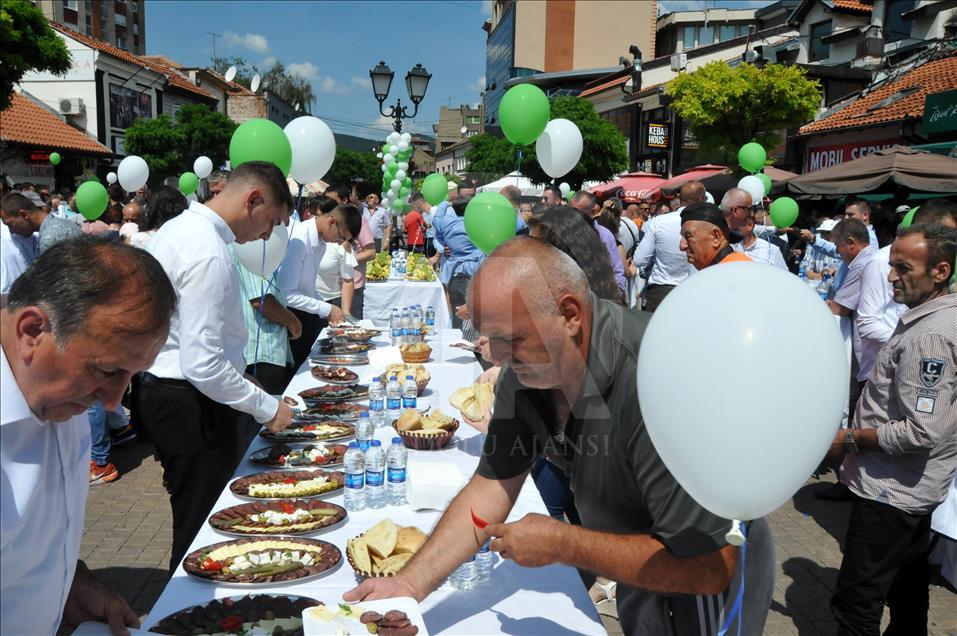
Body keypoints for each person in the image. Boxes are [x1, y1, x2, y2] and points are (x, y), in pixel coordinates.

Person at [345, 236, 773, 634]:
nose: (498, 356)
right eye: (490, 338)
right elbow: (491, 486)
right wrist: (409, 584)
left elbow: (708, 567)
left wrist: (565, 544)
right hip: (648, 562)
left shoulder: (660, 377)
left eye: (511, 338)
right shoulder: (526, 370)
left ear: (570, 315)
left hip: (707, 577)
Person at [1, 236, 176, 636]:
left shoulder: (58, 392)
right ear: (32, 331)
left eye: (131, 377)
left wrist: (69, 580)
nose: (113, 401)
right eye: (107, 370)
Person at [138, 161, 297, 572]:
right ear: (253, 199)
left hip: (175, 392)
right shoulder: (208, 250)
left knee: (197, 514)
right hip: (189, 401)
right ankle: (191, 609)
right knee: (203, 528)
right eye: (272, 222)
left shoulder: (182, 227)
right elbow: (203, 364)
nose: (267, 235)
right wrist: (267, 407)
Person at [828, 223, 957, 635]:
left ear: (940, 271)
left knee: (856, 602)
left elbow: (920, 431)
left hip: (891, 492)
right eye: (891, 265)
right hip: (907, 489)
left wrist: (848, 439)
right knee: (907, 588)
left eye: (903, 268)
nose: (889, 277)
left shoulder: (931, 336)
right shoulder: (934, 317)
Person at [279, 203, 358, 369]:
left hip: (306, 313)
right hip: (291, 317)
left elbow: (308, 287)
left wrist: (329, 309)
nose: (339, 243)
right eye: (341, 237)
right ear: (331, 222)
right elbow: (286, 294)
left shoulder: (321, 242)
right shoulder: (299, 239)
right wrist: (327, 309)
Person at [235, 254, 301, 396]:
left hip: (261, 352)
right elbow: (261, 301)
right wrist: (293, 322)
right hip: (261, 354)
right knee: (267, 414)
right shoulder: (253, 251)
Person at [634, 181, 703, 311]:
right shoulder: (705, 224)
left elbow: (639, 259)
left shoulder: (659, 222)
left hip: (660, 293)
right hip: (693, 291)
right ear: (700, 199)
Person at [313, 196, 358, 334]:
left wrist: (345, 311)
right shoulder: (308, 239)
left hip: (332, 303)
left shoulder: (341, 245)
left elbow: (348, 280)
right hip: (307, 305)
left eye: (316, 214)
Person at [570, 191, 626, 297]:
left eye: (580, 212)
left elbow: (617, 271)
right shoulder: (563, 233)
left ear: (593, 210)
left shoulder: (605, 235)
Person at [1, 191, 81, 255]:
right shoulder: (63, 223)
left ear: (24, 215)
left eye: (10, 224)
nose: (11, 231)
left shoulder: (49, 239)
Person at [679, 201, 751, 269]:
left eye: (688, 236)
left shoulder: (732, 271)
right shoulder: (734, 266)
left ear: (716, 237)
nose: (682, 246)